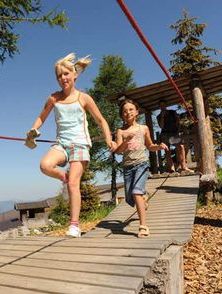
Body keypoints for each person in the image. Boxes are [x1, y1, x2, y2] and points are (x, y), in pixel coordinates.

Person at [26, 53, 116, 238]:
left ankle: (74, 225)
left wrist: (108, 139)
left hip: (80, 144)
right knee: (45, 166)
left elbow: (101, 120)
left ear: (75, 74)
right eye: (59, 75)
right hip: (62, 144)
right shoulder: (54, 98)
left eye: (66, 74)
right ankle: (64, 176)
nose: (63, 78)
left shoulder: (84, 98)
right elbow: (41, 117)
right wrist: (33, 130)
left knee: (74, 184)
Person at [115, 99, 168, 238]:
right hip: (127, 167)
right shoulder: (121, 131)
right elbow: (118, 151)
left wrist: (159, 146)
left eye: (131, 109)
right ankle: (144, 199)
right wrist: (125, 142)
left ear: (137, 112)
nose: (128, 112)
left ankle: (143, 226)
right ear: (122, 115)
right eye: (125, 111)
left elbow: (150, 146)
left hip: (141, 164)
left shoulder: (143, 128)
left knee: (136, 192)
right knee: (129, 198)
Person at [157, 100, 192, 173]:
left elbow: (177, 122)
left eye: (163, 105)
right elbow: (161, 126)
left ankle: (183, 166)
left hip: (174, 133)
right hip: (165, 134)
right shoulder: (159, 116)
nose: (162, 107)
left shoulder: (172, 112)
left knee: (181, 147)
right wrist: (162, 117)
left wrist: (178, 131)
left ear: (166, 105)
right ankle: (171, 168)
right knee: (167, 151)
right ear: (159, 107)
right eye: (161, 105)